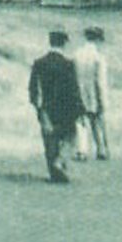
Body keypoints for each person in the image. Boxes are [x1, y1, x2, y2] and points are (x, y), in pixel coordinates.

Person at [28, 30, 84, 183]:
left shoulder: (39, 63)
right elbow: (74, 89)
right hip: (65, 108)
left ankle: (54, 174)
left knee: (50, 142)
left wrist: (39, 109)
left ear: (50, 42)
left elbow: (33, 89)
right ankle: (60, 162)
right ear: (64, 43)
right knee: (70, 137)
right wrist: (80, 110)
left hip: (46, 108)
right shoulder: (68, 64)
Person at [74, 26, 110, 160]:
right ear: (98, 40)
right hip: (93, 93)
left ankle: (82, 151)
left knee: (81, 121)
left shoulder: (77, 54)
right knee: (97, 121)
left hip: (79, 92)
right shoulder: (99, 57)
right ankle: (101, 149)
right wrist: (103, 100)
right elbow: (101, 81)